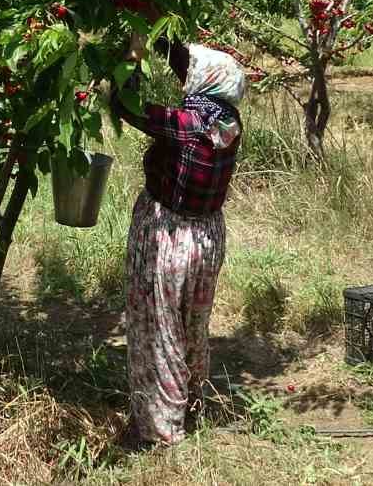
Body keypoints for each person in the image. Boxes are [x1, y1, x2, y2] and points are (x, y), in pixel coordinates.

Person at [110, 37, 247, 448]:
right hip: (207, 238)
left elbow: (125, 106)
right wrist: (163, 39)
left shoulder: (187, 125)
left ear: (203, 82)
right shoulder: (227, 121)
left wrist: (133, 55)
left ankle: (162, 430)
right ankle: (191, 405)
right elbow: (194, 70)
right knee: (192, 325)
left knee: (159, 331)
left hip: (167, 236)